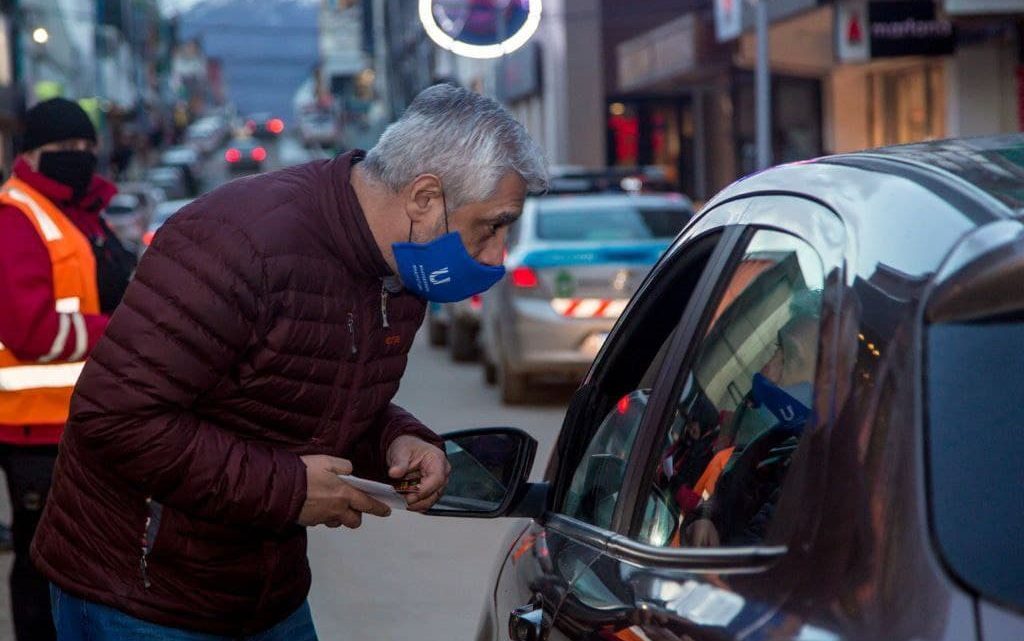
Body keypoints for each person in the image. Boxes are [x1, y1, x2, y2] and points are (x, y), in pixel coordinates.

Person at [33, 84, 548, 640]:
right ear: (424, 197)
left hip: (266, 593)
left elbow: (304, 388)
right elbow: (117, 417)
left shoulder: (400, 265)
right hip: (139, 595)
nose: (497, 254)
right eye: (492, 226)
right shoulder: (236, 242)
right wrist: (289, 489)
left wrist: (397, 440)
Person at [0, 97, 135, 641]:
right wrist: (118, 330)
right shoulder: (17, 216)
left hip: (83, 420)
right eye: (62, 150)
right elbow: (29, 332)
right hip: (33, 427)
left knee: (88, 561)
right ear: (30, 155)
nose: (77, 158)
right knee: (43, 564)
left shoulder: (80, 214)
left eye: (85, 148)